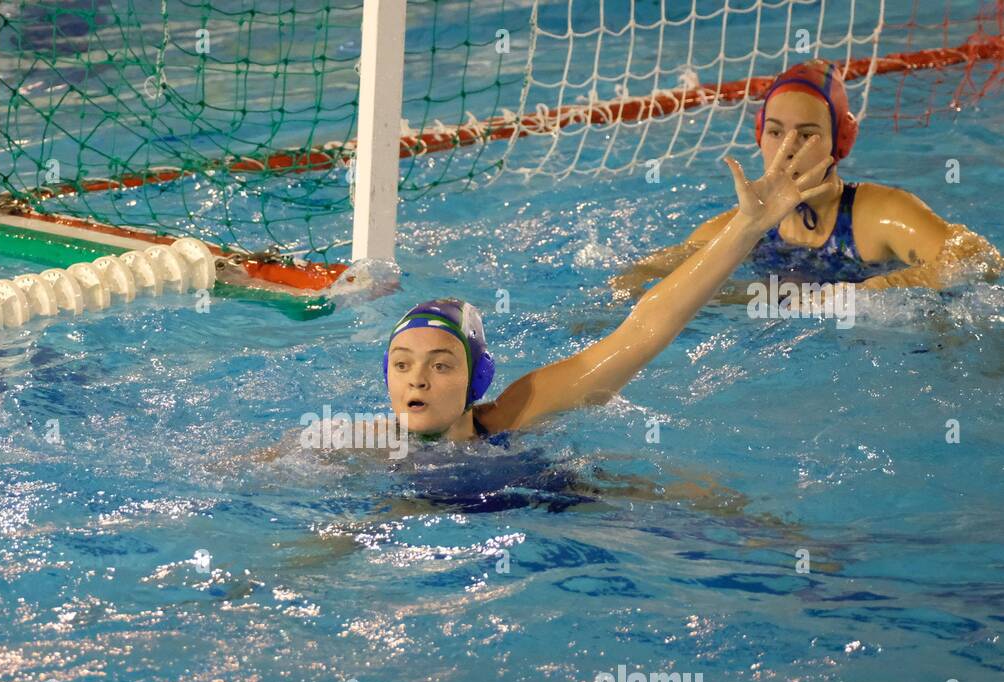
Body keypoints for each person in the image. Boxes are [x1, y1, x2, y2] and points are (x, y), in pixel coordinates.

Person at [386, 129, 835, 441]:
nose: (417, 381)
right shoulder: (364, 450)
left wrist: (745, 228)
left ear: (478, 378)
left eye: (441, 365)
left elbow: (642, 331)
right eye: (401, 365)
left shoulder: (514, 415)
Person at [611, 59, 1001, 300]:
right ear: (759, 136)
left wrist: (862, 295)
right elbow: (646, 275)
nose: (789, 148)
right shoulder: (744, 228)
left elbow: (978, 258)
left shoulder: (878, 214)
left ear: (840, 141)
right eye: (776, 132)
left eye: (808, 133)